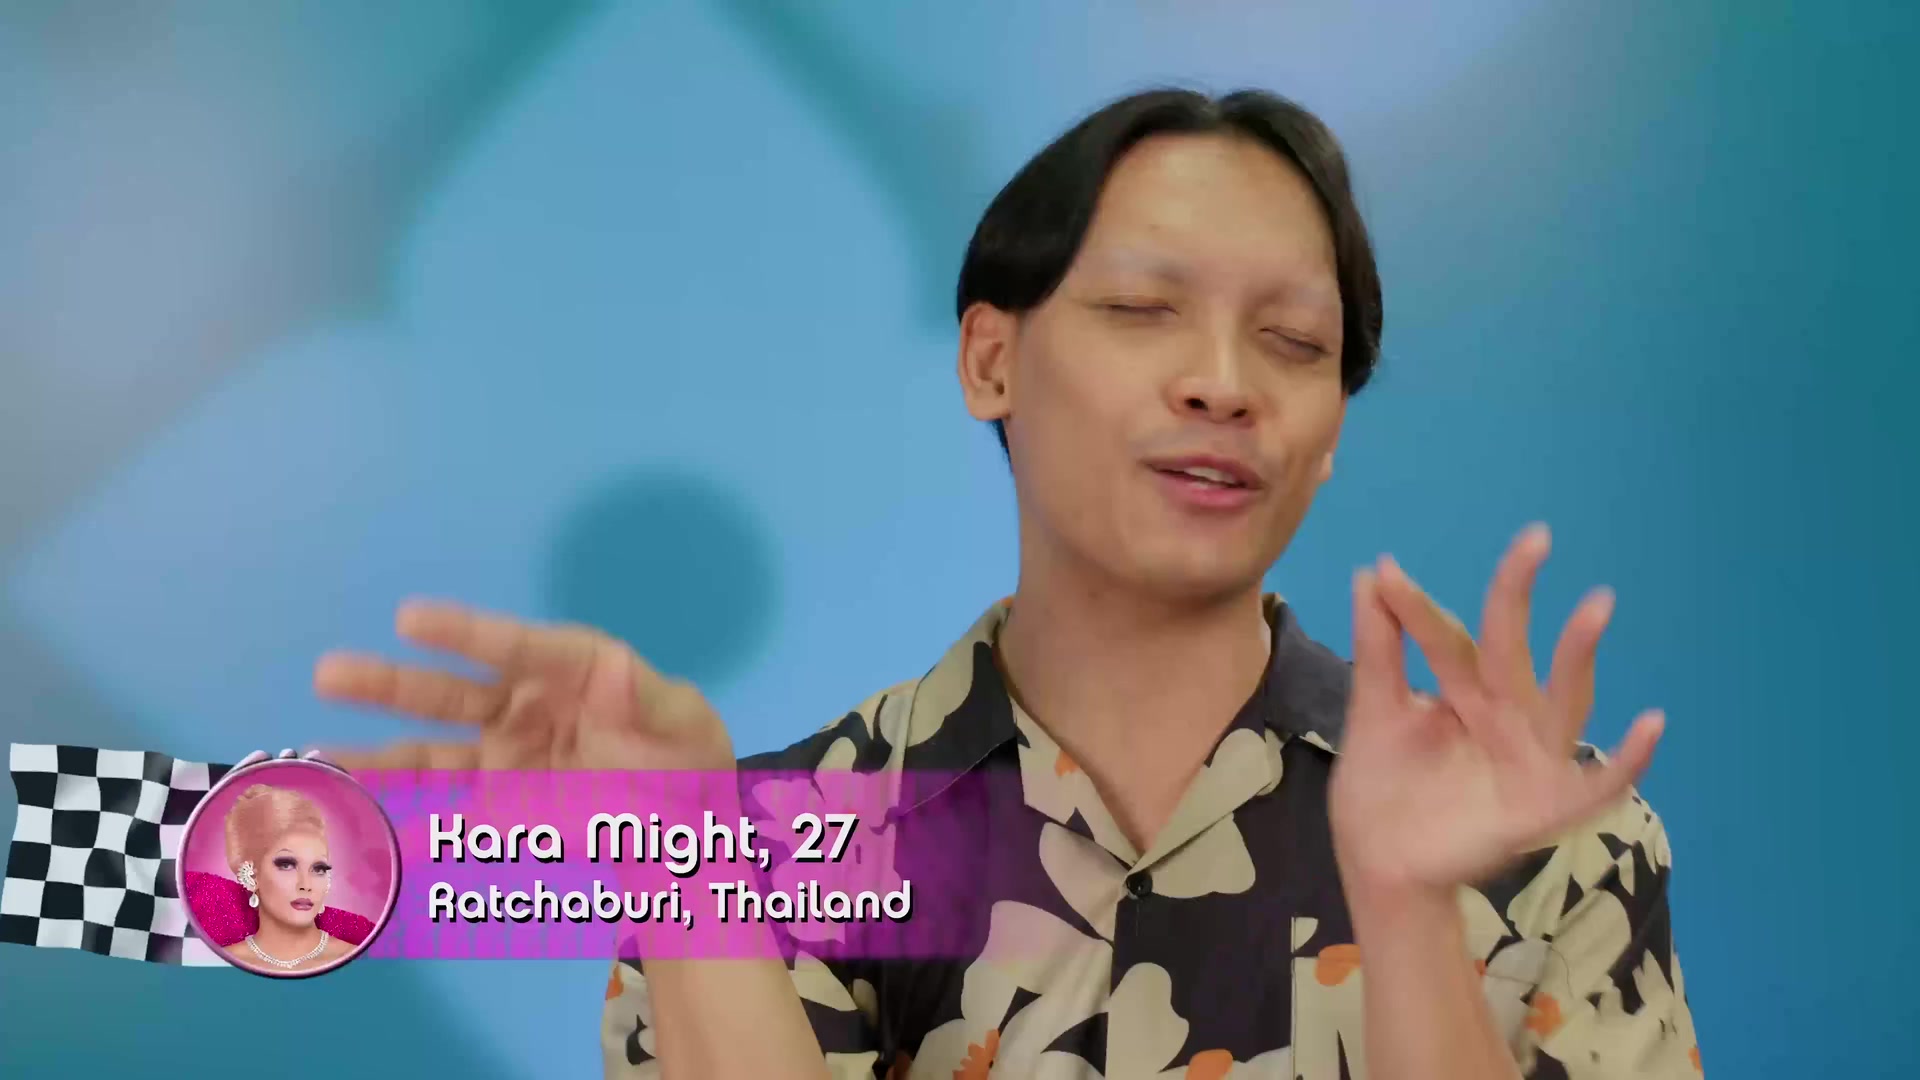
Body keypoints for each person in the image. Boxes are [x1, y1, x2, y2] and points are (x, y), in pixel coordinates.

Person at [317, 87, 1699, 1077]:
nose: (1223, 383)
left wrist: (1404, 918)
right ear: (991, 360)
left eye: (1292, 342)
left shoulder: (1545, 827)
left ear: (1331, 430)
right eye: (1143, 310)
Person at [218, 784, 356, 973]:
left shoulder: (357, 959)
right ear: (252, 874)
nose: (306, 885)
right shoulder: (221, 963)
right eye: (286, 865)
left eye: (319, 869)